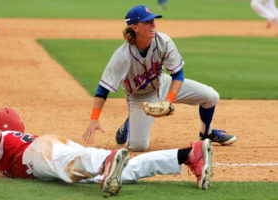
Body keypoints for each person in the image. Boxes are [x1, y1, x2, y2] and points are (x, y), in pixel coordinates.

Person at [83, 5, 236, 152]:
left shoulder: (164, 41)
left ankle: (206, 134)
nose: (153, 24)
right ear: (135, 27)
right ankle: (130, 122)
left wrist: (168, 101)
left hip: (164, 84)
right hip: (139, 98)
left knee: (211, 96)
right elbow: (103, 89)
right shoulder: (122, 56)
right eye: (147, 22)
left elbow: (178, 75)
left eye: (153, 20)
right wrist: (94, 118)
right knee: (138, 146)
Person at [0, 108, 214, 196]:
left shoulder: (5, 138)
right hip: (50, 147)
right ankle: (188, 154)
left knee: (75, 162)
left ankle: (106, 160)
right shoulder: (17, 138)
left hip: (36, 154)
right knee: (127, 171)